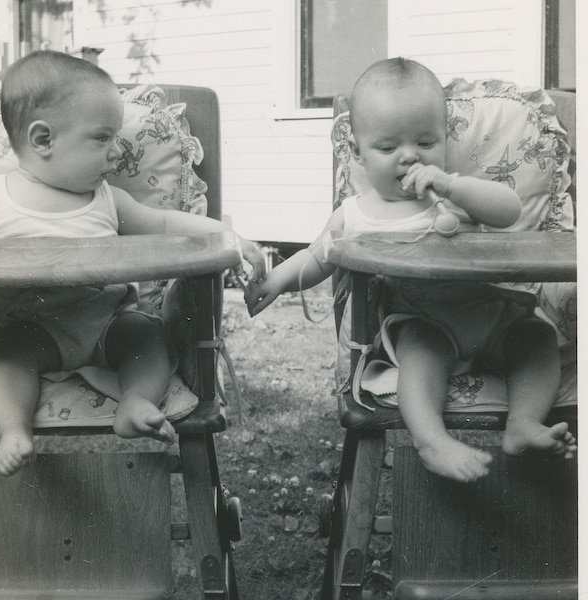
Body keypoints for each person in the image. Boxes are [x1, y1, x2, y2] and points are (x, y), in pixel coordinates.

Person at [245, 57, 576, 482]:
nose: (409, 157)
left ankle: (524, 424)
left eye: (425, 142)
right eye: (388, 148)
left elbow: (508, 211)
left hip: (491, 315)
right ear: (358, 155)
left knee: (537, 337)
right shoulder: (355, 215)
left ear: (444, 141)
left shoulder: (454, 194)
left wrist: (452, 184)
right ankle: (430, 439)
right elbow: (316, 257)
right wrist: (275, 281)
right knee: (420, 356)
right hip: (425, 322)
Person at [0, 50, 265, 476]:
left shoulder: (108, 200)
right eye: (102, 138)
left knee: (147, 336)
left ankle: (135, 401)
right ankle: (13, 428)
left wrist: (225, 236)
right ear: (43, 140)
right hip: (33, 326)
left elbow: (166, 222)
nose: (118, 152)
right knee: (6, 359)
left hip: (107, 323)